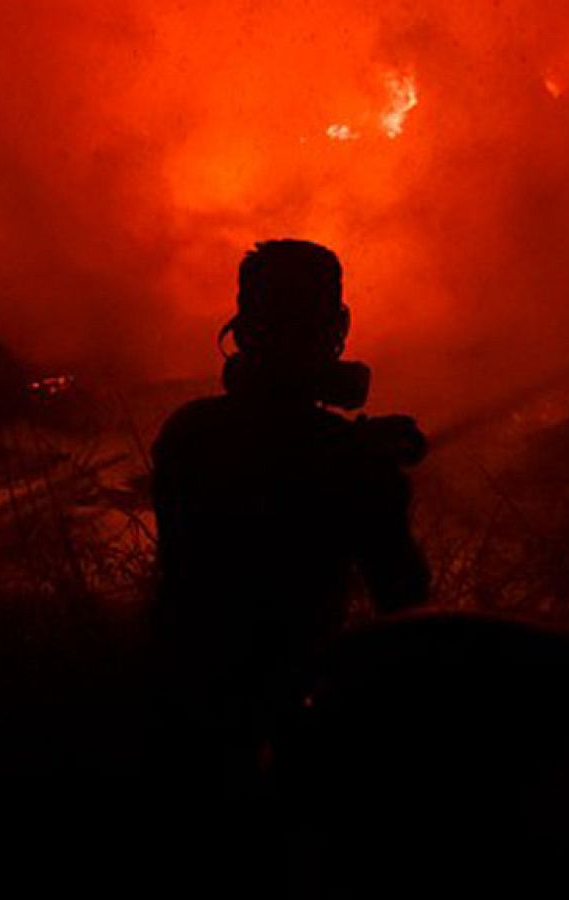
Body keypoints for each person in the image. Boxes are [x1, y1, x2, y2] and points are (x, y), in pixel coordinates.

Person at [149, 239, 429, 744]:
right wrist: (378, 481)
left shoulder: (186, 432)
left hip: (175, 714)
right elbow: (405, 602)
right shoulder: (350, 463)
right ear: (335, 331)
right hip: (292, 721)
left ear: (241, 331)